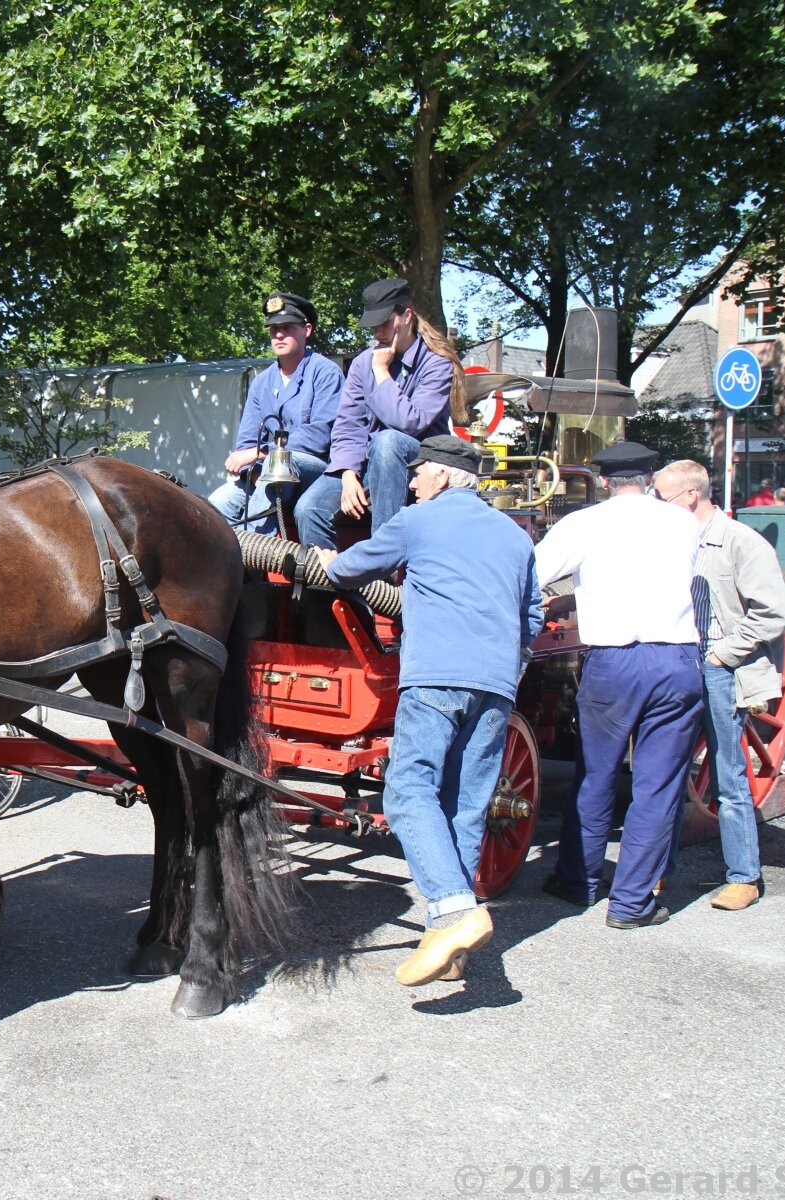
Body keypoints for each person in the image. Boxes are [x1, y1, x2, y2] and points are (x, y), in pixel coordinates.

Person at [314, 435, 542, 984]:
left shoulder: (420, 522)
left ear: (442, 477)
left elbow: (349, 571)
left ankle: (454, 912)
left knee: (407, 788)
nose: (411, 483)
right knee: (464, 805)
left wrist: (327, 558)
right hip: (496, 684)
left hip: (436, 676)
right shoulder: (515, 537)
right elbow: (531, 617)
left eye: (418, 475)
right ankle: (452, 947)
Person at [534, 441, 703, 928]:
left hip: (614, 659)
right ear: (649, 479)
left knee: (595, 773)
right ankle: (631, 904)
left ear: (604, 481)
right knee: (657, 785)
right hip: (675, 658)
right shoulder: (681, 522)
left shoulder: (586, 523)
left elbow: (535, 573)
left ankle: (577, 882)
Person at [654, 460, 785, 911]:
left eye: (663, 497)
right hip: (677, 665)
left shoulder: (740, 542)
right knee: (665, 774)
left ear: (690, 495)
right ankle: (656, 873)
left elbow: (772, 611)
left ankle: (744, 877)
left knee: (729, 775)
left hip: (720, 668)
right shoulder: (669, 541)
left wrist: (722, 654)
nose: (658, 506)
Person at [296, 278, 465, 547]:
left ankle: (382, 568)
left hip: (418, 466)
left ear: (407, 316)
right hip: (364, 467)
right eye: (373, 325)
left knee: (388, 441)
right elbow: (348, 425)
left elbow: (410, 422)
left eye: (384, 323)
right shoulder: (363, 363)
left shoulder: (437, 363)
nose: (378, 332)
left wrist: (382, 373)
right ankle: (330, 587)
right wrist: (348, 472)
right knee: (309, 509)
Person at [208, 293, 343, 536]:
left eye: (287, 328)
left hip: (317, 471)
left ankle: (253, 556)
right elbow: (247, 441)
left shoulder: (326, 373)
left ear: (307, 330)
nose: (278, 335)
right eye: (273, 329)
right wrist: (255, 470)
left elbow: (320, 437)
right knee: (218, 503)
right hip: (267, 471)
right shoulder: (262, 382)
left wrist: (262, 454)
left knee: (276, 465)